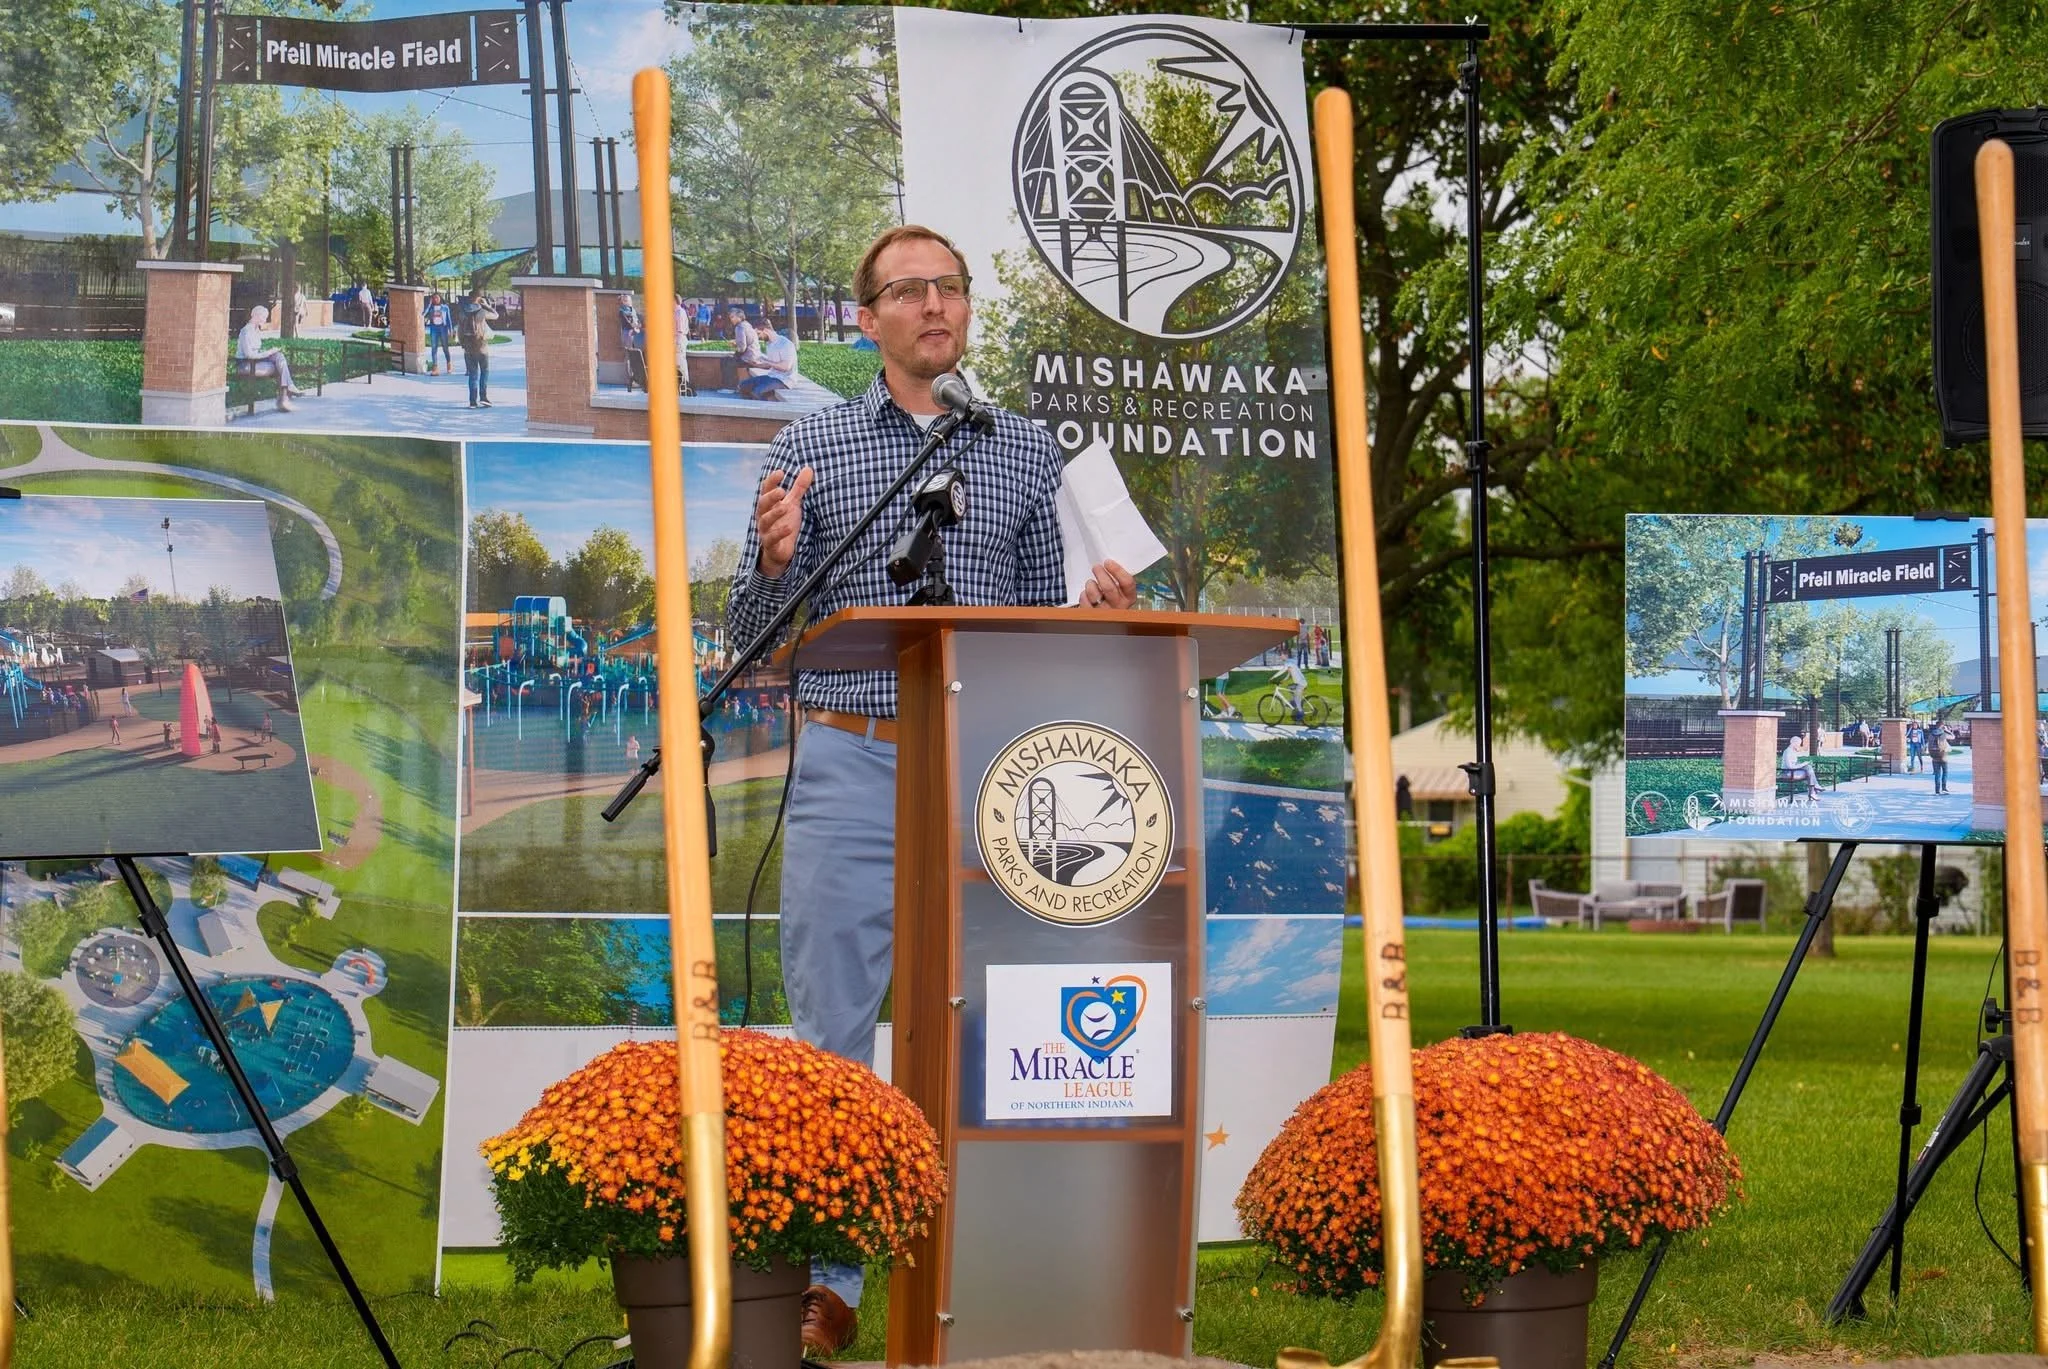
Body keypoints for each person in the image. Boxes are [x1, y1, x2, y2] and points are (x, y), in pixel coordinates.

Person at [725, 224, 1136, 1353]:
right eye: (907, 290)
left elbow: (1047, 623)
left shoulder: (1023, 448)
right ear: (865, 320)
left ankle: (1007, 1258)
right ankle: (827, 1280)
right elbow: (748, 637)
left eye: (949, 287)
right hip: (851, 756)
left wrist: (1090, 618)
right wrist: (770, 566)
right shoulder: (807, 446)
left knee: (1008, 1025)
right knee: (832, 1029)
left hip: (987, 768)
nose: (934, 304)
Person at [236, 305, 304, 411]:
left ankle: (286, 394)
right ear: (256, 316)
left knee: (279, 356)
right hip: (246, 365)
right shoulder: (246, 331)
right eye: (264, 317)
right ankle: (284, 398)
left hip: (255, 363)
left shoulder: (256, 330)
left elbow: (256, 353)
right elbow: (249, 355)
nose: (265, 320)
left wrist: (270, 353)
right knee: (280, 367)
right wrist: (268, 353)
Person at [457, 286, 499, 408]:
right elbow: (496, 315)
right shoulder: (482, 312)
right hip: (482, 346)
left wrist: (463, 344)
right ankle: (483, 397)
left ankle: (472, 401)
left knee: (473, 374)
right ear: (479, 298)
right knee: (484, 371)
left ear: (469, 298)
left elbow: (459, 331)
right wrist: (486, 305)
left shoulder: (462, 312)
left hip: (468, 348)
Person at [736, 317, 798, 399]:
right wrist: (754, 364)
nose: (758, 337)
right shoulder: (769, 344)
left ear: (765, 330)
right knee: (743, 386)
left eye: (758, 334)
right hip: (772, 376)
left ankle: (765, 409)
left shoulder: (785, 344)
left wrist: (767, 361)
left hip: (785, 380)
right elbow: (770, 366)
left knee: (756, 392)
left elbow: (786, 367)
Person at [1780, 732, 1821, 800]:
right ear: (1793, 743)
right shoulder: (1787, 752)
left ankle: (1813, 790)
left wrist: (1803, 764)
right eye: (1798, 744)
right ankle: (1813, 790)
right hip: (1787, 772)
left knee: (1808, 768)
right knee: (1809, 771)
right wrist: (1802, 764)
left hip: (1793, 771)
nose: (1799, 745)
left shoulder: (1792, 751)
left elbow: (1794, 764)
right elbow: (1790, 766)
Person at [424, 292, 454, 375]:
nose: (436, 299)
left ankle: (449, 364)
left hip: (443, 328)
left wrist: (450, 329)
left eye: (437, 298)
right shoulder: (431, 308)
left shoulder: (445, 307)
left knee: (445, 347)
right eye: (434, 298)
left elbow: (449, 319)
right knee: (434, 348)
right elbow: (423, 314)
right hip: (434, 328)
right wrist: (429, 304)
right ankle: (435, 368)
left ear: (440, 298)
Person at [1927, 720, 1952, 795]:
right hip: (1943, 756)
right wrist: (1947, 730)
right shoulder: (1944, 734)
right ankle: (1944, 788)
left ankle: (1937, 790)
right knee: (1945, 772)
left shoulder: (1931, 734)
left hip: (1934, 757)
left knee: (1937, 774)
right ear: (1942, 726)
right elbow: (1953, 737)